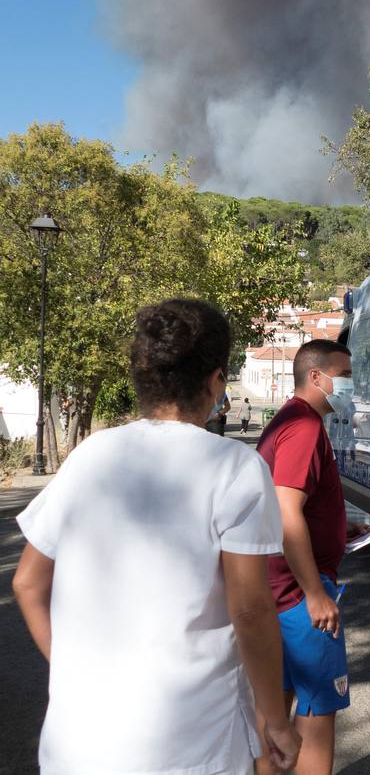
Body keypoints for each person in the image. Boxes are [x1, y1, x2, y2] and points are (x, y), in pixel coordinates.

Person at [13, 298, 298, 775]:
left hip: (77, 744)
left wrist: (69, 671)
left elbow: (27, 583)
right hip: (191, 747)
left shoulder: (91, 455)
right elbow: (249, 610)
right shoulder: (235, 468)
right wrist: (276, 721)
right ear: (214, 381)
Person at [255, 339, 366, 775]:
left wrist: (339, 528)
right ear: (317, 377)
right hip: (298, 599)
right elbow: (286, 510)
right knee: (318, 712)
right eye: (346, 375)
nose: (351, 385)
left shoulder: (287, 420)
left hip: (273, 592)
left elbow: (294, 503)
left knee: (275, 711)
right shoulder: (304, 427)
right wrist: (315, 592)